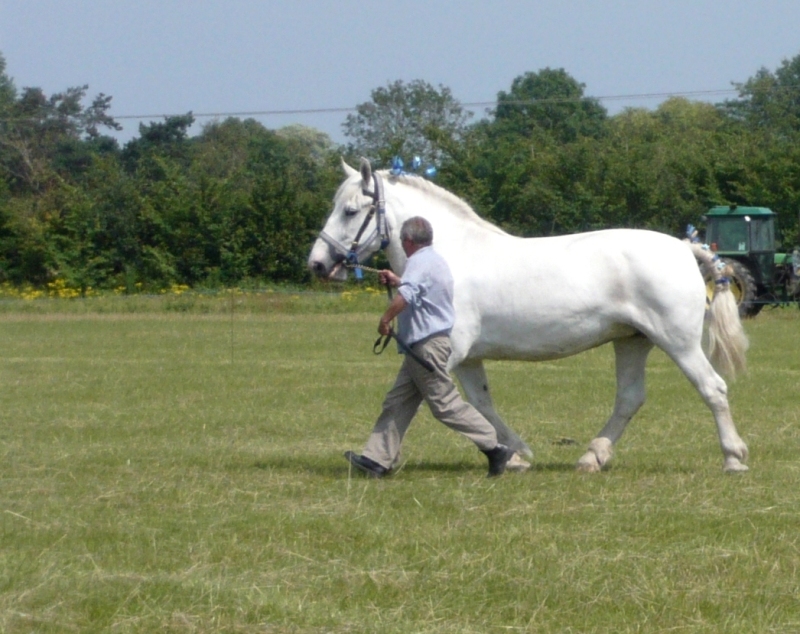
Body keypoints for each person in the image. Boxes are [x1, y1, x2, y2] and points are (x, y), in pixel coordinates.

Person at [344, 216, 515, 478]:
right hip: (421, 346)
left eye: (403, 241)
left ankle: (495, 447)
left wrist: (385, 319)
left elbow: (408, 295)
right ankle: (376, 460)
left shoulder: (418, 262)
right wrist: (397, 280)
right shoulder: (433, 260)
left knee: (445, 405)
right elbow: (419, 290)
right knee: (397, 402)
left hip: (426, 347)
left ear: (408, 241)